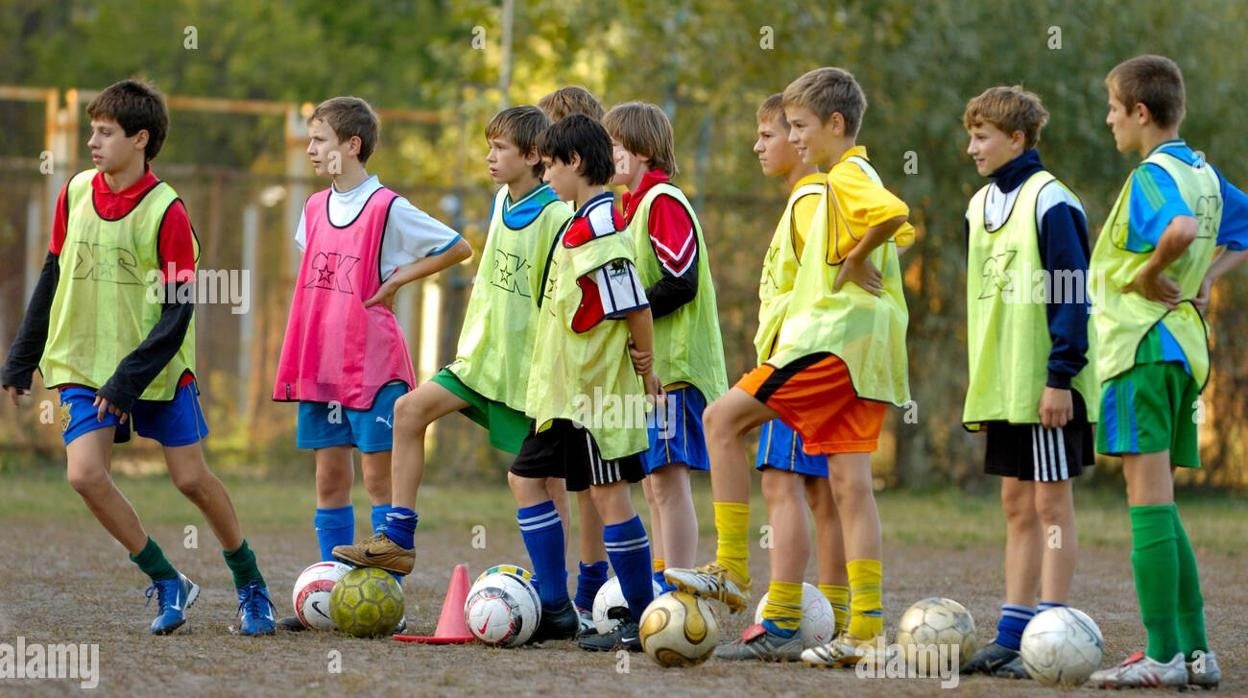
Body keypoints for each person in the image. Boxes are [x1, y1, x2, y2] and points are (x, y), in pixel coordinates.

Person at [1, 78, 276, 636]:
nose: (93, 143)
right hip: (83, 363)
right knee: (84, 475)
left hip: (155, 370)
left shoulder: (167, 212)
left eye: (105, 133)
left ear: (141, 139)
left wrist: (128, 380)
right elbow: (52, 277)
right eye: (92, 131)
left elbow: (177, 316)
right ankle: (167, 578)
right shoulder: (75, 191)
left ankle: (251, 586)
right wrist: (21, 357)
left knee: (192, 480)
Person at [667, 67, 914, 670]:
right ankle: (865, 629)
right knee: (851, 488)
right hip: (870, 357)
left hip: (827, 346)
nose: (792, 138)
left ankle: (728, 567)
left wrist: (852, 258)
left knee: (721, 420)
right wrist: (859, 255)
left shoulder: (843, 177)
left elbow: (894, 212)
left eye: (799, 127)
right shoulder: (845, 181)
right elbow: (899, 230)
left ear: (835, 125)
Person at [272, 96, 469, 629]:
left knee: (379, 482)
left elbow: (458, 247)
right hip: (321, 363)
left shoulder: (387, 207)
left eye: (319, 140)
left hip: (373, 365)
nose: (311, 149)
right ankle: (335, 597)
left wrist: (403, 276)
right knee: (330, 480)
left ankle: (385, 600)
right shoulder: (313, 208)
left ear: (351, 145)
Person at [1087, 54, 1248, 690]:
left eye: (1113, 108)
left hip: (1141, 351)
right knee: (1163, 502)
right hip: (1182, 352)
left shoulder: (1156, 174)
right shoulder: (1203, 172)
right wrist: (1205, 278)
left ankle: (1160, 656)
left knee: (1146, 504)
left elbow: (1178, 230)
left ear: (1142, 114)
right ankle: (1196, 654)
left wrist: (1151, 275)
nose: (1108, 120)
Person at [956, 85, 1098, 679]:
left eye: (982, 137)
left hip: (1044, 383)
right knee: (1016, 502)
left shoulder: (1051, 201)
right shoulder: (977, 204)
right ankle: (1013, 632)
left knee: (1050, 504)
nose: (972, 148)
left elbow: (1072, 289)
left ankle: (1053, 628)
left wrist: (1060, 375)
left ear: (1017, 139)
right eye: (970, 136)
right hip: (1003, 385)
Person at [514, 114, 660, 650]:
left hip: (597, 397)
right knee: (525, 479)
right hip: (561, 397)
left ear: (575, 163)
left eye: (550, 166)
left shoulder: (601, 229)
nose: (546, 175)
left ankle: (642, 619)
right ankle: (555, 608)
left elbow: (635, 307)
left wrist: (647, 370)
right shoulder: (577, 223)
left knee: (608, 494)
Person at [713, 94, 850, 662]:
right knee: (822, 491)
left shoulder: (812, 199)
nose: (762, 145)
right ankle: (839, 617)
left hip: (801, 363)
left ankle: (781, 616)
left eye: (771, 134)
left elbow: (835, 274)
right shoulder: (810, 199)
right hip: (823, 359)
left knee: (779, 482)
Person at [603, 102, 728, 593]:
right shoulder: (629, 209)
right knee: (655, 484)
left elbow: (681, 282)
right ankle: (663, 587)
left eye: (613, 145)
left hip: (676, 370)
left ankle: (679, 593)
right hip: (652, 373)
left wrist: (632, 314)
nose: (605, 154)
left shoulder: (662, 202)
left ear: (642, 150)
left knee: (669, 483)